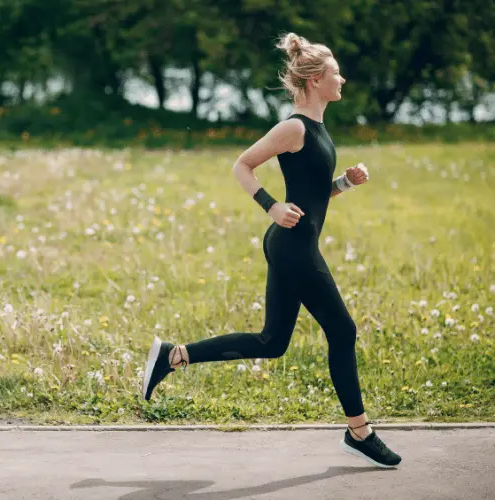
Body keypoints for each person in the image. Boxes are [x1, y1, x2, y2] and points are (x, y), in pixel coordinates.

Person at [141, 32, 402, 468]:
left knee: (272, 342)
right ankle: (360, 432)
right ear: (316, 80)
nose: (343, 79)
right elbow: (241, 164)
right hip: (293, 247)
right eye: (336, 73)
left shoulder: (317, 129)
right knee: (343, 330)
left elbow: (313, 195)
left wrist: (344, 184)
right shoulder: (294, 126)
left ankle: (173, 355)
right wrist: (271, 205)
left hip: (293, 241)